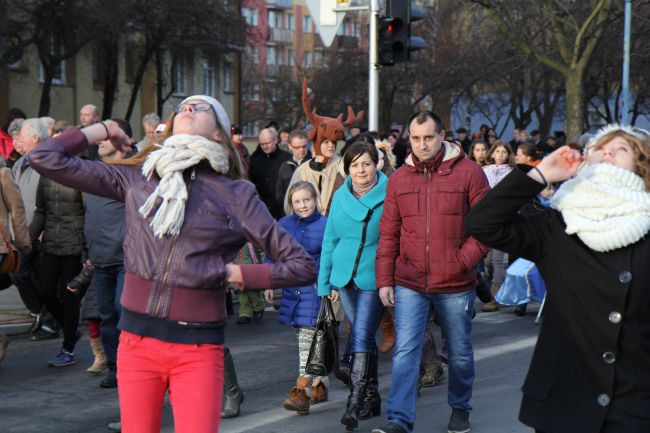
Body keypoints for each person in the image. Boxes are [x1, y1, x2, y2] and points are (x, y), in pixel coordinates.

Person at [28, 94, 316, 433]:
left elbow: (301, 265)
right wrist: (104, 129)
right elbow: (43, 156)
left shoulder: (237, 193)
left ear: (219, 134)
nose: (189, 108)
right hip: (136, 343)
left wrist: (237, 274)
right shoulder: (137, 178)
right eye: (183, 107)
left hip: (198, 349)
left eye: (203, 106)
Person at [465, 124, 650, 433]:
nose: (607, 153)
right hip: (565, 398)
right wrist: (539, 175)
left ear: (641, 165)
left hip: (635, 401)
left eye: (620, 149)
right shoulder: (557, 225)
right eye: (600, 149)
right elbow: (482, 224)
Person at [373, 111, 490, 433]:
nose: (421, 144)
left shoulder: (469, 173)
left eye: (428, 137)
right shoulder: (398, 178)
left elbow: (488, 227)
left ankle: (460, 407)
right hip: (410, 280)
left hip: (455, 282)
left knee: (461, 353)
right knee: (406, 352)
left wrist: (462, 261)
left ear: (442, 136)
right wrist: (385, 279)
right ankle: (400, 419)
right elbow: (389, 232)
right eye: (415, 138)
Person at [319, 141, 388, 431]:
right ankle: (372, 397)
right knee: (364, 338)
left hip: (375, 277)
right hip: (344, 277)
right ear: (346, 167)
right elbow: (330, 239)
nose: (361, 170)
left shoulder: (391, 193)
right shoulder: (339, 196)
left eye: (367, 163)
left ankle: (355, 402)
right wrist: (324, 282)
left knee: (360, 335)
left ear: (377, 165)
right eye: (355, 164)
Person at [264, 181, 328, 415]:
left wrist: (326, 282)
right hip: (293, 289)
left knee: (308, 337)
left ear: (315, 199)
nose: (303, 205)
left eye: (307, 200)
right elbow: (273, 252)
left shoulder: (325, 225)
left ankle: (302, 390)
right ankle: (320, 384)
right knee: (312, 337)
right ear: (290, 203)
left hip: (316, 287)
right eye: (297, 201)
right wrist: (269, 281)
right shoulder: (284, 225)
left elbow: (330, 255)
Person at [30, 144, 86, 367]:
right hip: (51, 243)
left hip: (75, 244)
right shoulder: (45, 176)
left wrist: (87, 248)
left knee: (68, 296)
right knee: (45, 292)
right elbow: (41, 211)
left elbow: (88, 212)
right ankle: (70, 330)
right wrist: (28, 238)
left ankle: (68, 347)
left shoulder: (81, 174)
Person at [10, 119, 58, 340]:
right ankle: (42, 314)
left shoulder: (49, 161)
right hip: (23, 231)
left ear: (35, 138)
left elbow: (55, 199)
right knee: (19, 273)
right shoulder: (21, 163)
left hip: (44, 231)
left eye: (23, 135)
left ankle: (51, 321)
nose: (18, 139)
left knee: (44, 279)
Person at [481, 140, 514, 312]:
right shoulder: (484, 171)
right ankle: (491, 288)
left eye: (504, 152)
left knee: (498, 260)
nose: (500, 155)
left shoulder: (511, 173)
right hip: (486, 220)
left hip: (502, 220)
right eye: (497, 152)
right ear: (492, 154)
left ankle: (493, 298)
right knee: (487, 262)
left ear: (508, 155)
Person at [249, 127, 291, 219]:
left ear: (275, 140)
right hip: (262, 209)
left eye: (267, 143)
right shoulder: (255, 161)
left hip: (283, 209)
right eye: (262, 144)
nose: (265, 147)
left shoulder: (287, 158)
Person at [275, 129, 312, 214]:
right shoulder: (285, 166)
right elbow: (279, 193)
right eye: (298, 147)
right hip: (290, 213)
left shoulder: (314, 165)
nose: (302, 150)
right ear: (290, 146)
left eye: (304, 146)